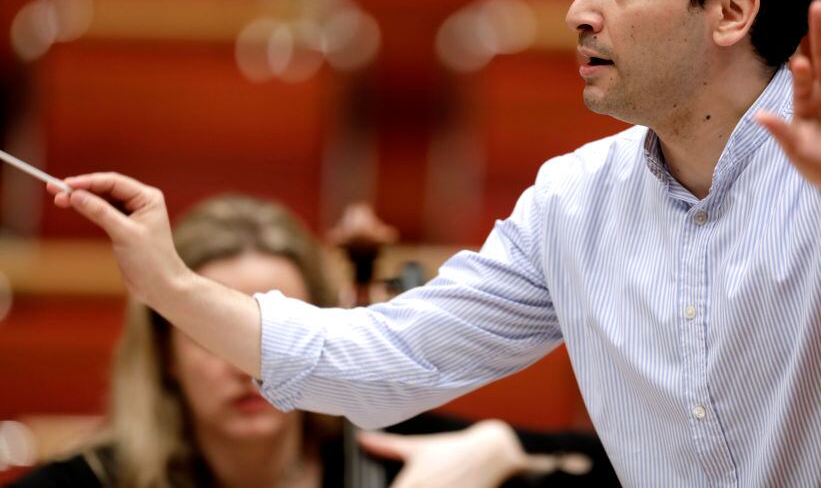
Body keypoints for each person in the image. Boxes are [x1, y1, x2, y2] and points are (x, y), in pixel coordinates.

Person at [47, 0, 821, 486]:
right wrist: (168, 284)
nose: (581, 9)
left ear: (730, 11)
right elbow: (382, 360)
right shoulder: (573, 203)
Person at [11, 196, 615, 488]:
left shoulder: (395, 449)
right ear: (165, 355)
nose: (246, 367)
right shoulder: (90, 484)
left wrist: (502, 448)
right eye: (212, 334)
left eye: (274, 333)